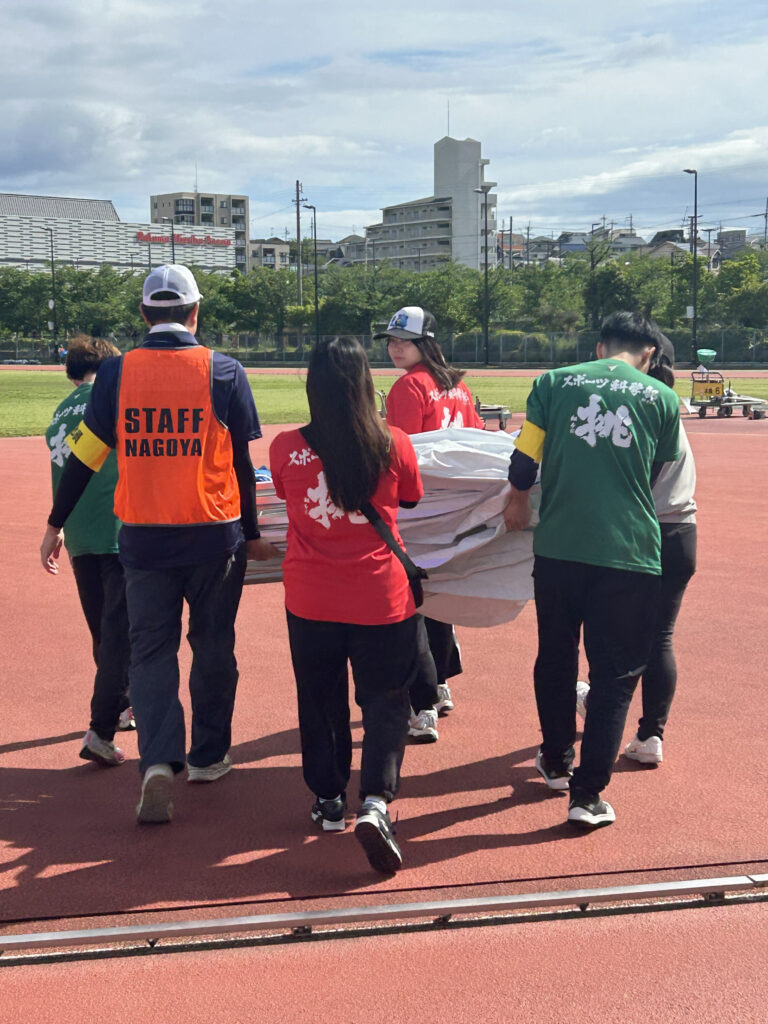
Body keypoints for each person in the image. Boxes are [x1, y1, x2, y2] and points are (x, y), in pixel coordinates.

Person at [40, 264, 279, 824]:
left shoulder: (116, 373)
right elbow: (242, 464)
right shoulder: (224, 370)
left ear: (144, 314)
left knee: (150, 652)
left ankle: (158, 761)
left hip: (144, 539)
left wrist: (55, 523)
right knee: (213, 645)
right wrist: (251, 534)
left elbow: (85, 458)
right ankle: (208, 757)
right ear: (196, 312)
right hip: (213, 535)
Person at [504, 311, 680, 828]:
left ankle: (556, 760)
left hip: (559, 547)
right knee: (615, 676)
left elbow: (523, 461)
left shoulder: (553, 383)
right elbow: (653, 471)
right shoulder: (663, 397)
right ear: (649, 353)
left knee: (556, 655)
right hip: (629, 552)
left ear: (600, 346)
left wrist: (519, 498)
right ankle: (587, 796)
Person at [269, 336, 423, 875]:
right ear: (365, 382)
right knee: (386, 699)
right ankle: (376, 800)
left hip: (311, 597)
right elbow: (410, 498)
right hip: (381, 596)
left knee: (319, 697)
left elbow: (288, 499)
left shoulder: (285, 447)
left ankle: (330, 798)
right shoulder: (393, 443)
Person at [378, 306, 484, 743]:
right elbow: (478, 442)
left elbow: (399, 452)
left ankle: (422, 700)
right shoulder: (458, 386)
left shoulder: (408, 386)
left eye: (403, 341)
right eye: (391, 340)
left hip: (419, 509)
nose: (394, 348)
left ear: (426, 343)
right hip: (457, 509)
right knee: (441, 597)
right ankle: (440, 684)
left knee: (413, 602)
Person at [44, 336, 132, 767]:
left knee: (102, 630)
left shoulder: (60, 413)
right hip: (116, 527)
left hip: (78, 531)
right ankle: (103, 725)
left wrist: (57, 525)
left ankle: (122, 706)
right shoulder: (111, 401)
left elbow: (63, 473)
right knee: (122, 633)